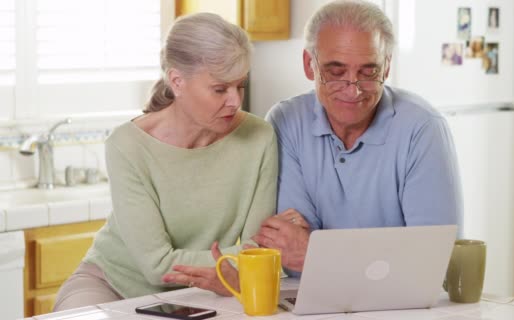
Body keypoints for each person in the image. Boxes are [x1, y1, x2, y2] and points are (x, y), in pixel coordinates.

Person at [53, 12, 278, 311]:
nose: (235, 101)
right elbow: (157, 265)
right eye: (220, 89)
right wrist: (230, 262)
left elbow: (258, 255)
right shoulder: (128, 145)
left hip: (198, 292)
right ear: (177, 81)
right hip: (112, 285)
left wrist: (234, 266)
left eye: (240, 85)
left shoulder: (259, 137)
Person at [251, 0, 463, 273]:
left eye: (368, 71)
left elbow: (434, 256)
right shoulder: (286, 121)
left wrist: (317, 254)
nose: (353, 90)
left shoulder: (422, 128)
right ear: (308, 64)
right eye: (336, 72)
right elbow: (290, 253)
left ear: (386, 67)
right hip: (311, 304)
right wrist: (381, 257)